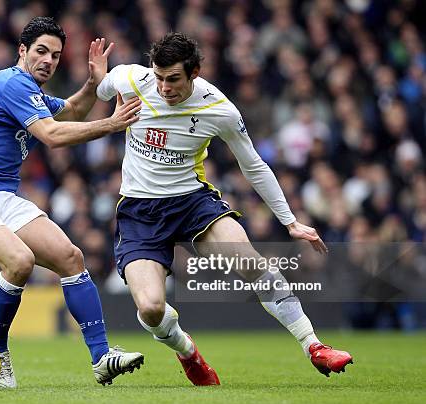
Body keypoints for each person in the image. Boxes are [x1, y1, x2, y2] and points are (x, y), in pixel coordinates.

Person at [96, 32, 353, 386]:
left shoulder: (219, 109)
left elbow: (254, 165)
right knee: (152, 309)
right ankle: (187, 352)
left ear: (195, 72)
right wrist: (97, 76)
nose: (164, 87)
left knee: (249, 261)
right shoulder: (132, 78)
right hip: (140, 212)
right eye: (159, 77)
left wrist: (290, 221)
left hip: (191, 202)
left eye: (174, 79)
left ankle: (314, 345)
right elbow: (101, 88)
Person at [0, 17, 143, 388]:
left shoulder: (33, 94)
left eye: (56, 55)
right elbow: (52, 135)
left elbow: (73, 112)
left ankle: (101, 357)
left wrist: (93, 83)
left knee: (70, 257)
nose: (48, 60)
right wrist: (112, 124)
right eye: (41, 51)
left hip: (3, 197)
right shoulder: (10, 82)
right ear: (22, 51)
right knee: (20, 261)